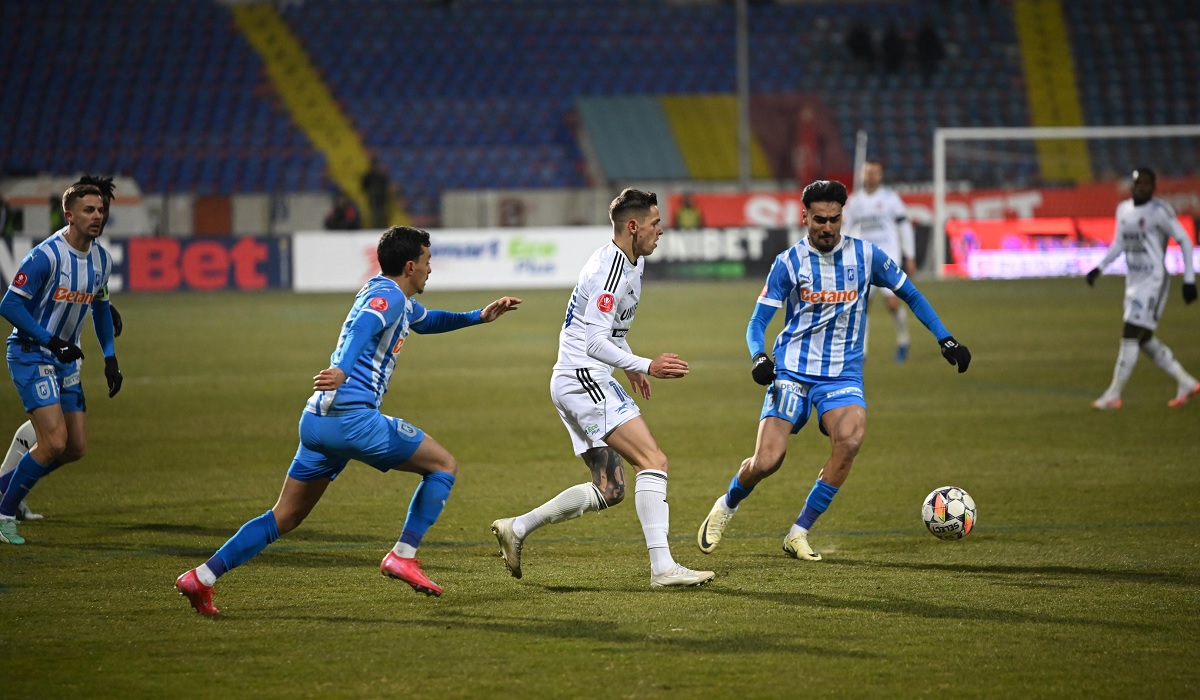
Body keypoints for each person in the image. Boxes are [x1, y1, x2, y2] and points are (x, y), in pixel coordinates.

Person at [175, 226, 522, 615]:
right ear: (410, 266)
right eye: (427, 262)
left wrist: (479, 316)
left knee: (284, 516)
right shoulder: (388, 298)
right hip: (352, 419)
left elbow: (427, 320)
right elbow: (363, 328)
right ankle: (402, 555)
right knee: (443, 465)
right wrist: (341, 368)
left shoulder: (390, 294)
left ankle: (202, 577)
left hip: (318, 422)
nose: (430, 269)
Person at [696, 179, 971, 562]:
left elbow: (911, 293)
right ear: (804, 216)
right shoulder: (789, 262)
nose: (827, 227)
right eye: (820, 219)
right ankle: (727, 504)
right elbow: (756, 322)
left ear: (843, 217)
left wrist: (945, 338)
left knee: (851, 441)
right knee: (767, 461)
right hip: (791, 370)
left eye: (835, 219)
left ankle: (798, 532)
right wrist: (759, 356)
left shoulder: (867, 256)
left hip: (842, 375)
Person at [490, 188, 714, 589]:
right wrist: (647, 364)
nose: (661, 230)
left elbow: (609, 334)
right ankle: (662, 568)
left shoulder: (632, 262)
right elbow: (594, 343)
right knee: (653, 461)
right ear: (633, 226)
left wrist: (627, 365)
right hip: (584, 378)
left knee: (610, 489)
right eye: (655, 223)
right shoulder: (610, 268)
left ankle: (517, 528)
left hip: (576, 378)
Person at [0, 181, 122, 545]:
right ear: (69, 215)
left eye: (100, 210)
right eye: (89, 210)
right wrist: (50, 340)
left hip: (67, 360)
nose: (97, 216)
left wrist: (111, 360)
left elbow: (101, 310)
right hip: (31, 353)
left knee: (74, 447)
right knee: (52, 442)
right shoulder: (46, 256)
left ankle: (7, 491)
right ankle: (5, 514)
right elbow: (9, 304)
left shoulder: (102, 259)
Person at [1087, 167, 1198, 409]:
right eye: (1138, 183)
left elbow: (1186, 241)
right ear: (1132, 185)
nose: (1141, 187)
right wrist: (1100, 267)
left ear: (1154, 187)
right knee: (1144, 338)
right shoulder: (1123, 210)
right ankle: (1186, 382)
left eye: (1146, 183)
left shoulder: (1159, 211)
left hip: (1153, 282)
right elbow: (1119, 243)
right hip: (1133, 282)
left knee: (1130, 333)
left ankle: (1113, 395)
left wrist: (1189, 281)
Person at [841, 160, 918, 362]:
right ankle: (862, 351)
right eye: (868, 172)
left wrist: (909, 254)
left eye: (875, 172)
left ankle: (903, 340)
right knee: (863, 305)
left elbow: (904, 226)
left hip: (888, 258)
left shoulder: (891, 199)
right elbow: (845, 229)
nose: (872, 176)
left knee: (892, 303)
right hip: (864, 259)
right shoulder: (854, 201)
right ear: (862, 175)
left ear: (881, 175)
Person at [361, 157, 392, 229]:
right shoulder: (368, 176)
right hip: (373, 202)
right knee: (374, 217)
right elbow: (363, 187)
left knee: (383, 217)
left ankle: (384, 229)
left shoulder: (382, 176)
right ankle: (374, 229)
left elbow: (387, 187)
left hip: (382, 201)